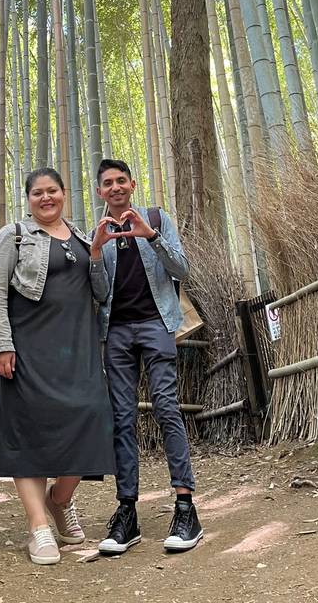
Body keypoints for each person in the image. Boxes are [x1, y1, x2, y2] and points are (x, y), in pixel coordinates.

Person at [0, 166, 117, 565]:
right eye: (38, 192)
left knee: (91, 417)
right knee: (29, 435)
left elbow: (102, 291)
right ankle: (39, 527)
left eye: (52, 191)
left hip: (77, 350)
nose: (46, 198)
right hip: (28, 348)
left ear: (64, 194)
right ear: (28, 198)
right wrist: (1, 345)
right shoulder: (14, 235)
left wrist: (95, 255)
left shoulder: (81, 237)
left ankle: (60, 500)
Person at [93, 158, 203, 555]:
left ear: (133, 184)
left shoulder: (156, 217)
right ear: (100, 191)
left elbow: (183, 270)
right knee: (122, 418)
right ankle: (127, 513)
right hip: (116, 332)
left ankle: (185, 506)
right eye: (108, 183)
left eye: (121, 180)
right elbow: (100, 293)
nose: (116, 187)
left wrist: (151, 235)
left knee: (168, 409)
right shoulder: (98, 231)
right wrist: (94, 253)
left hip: (157, 325)